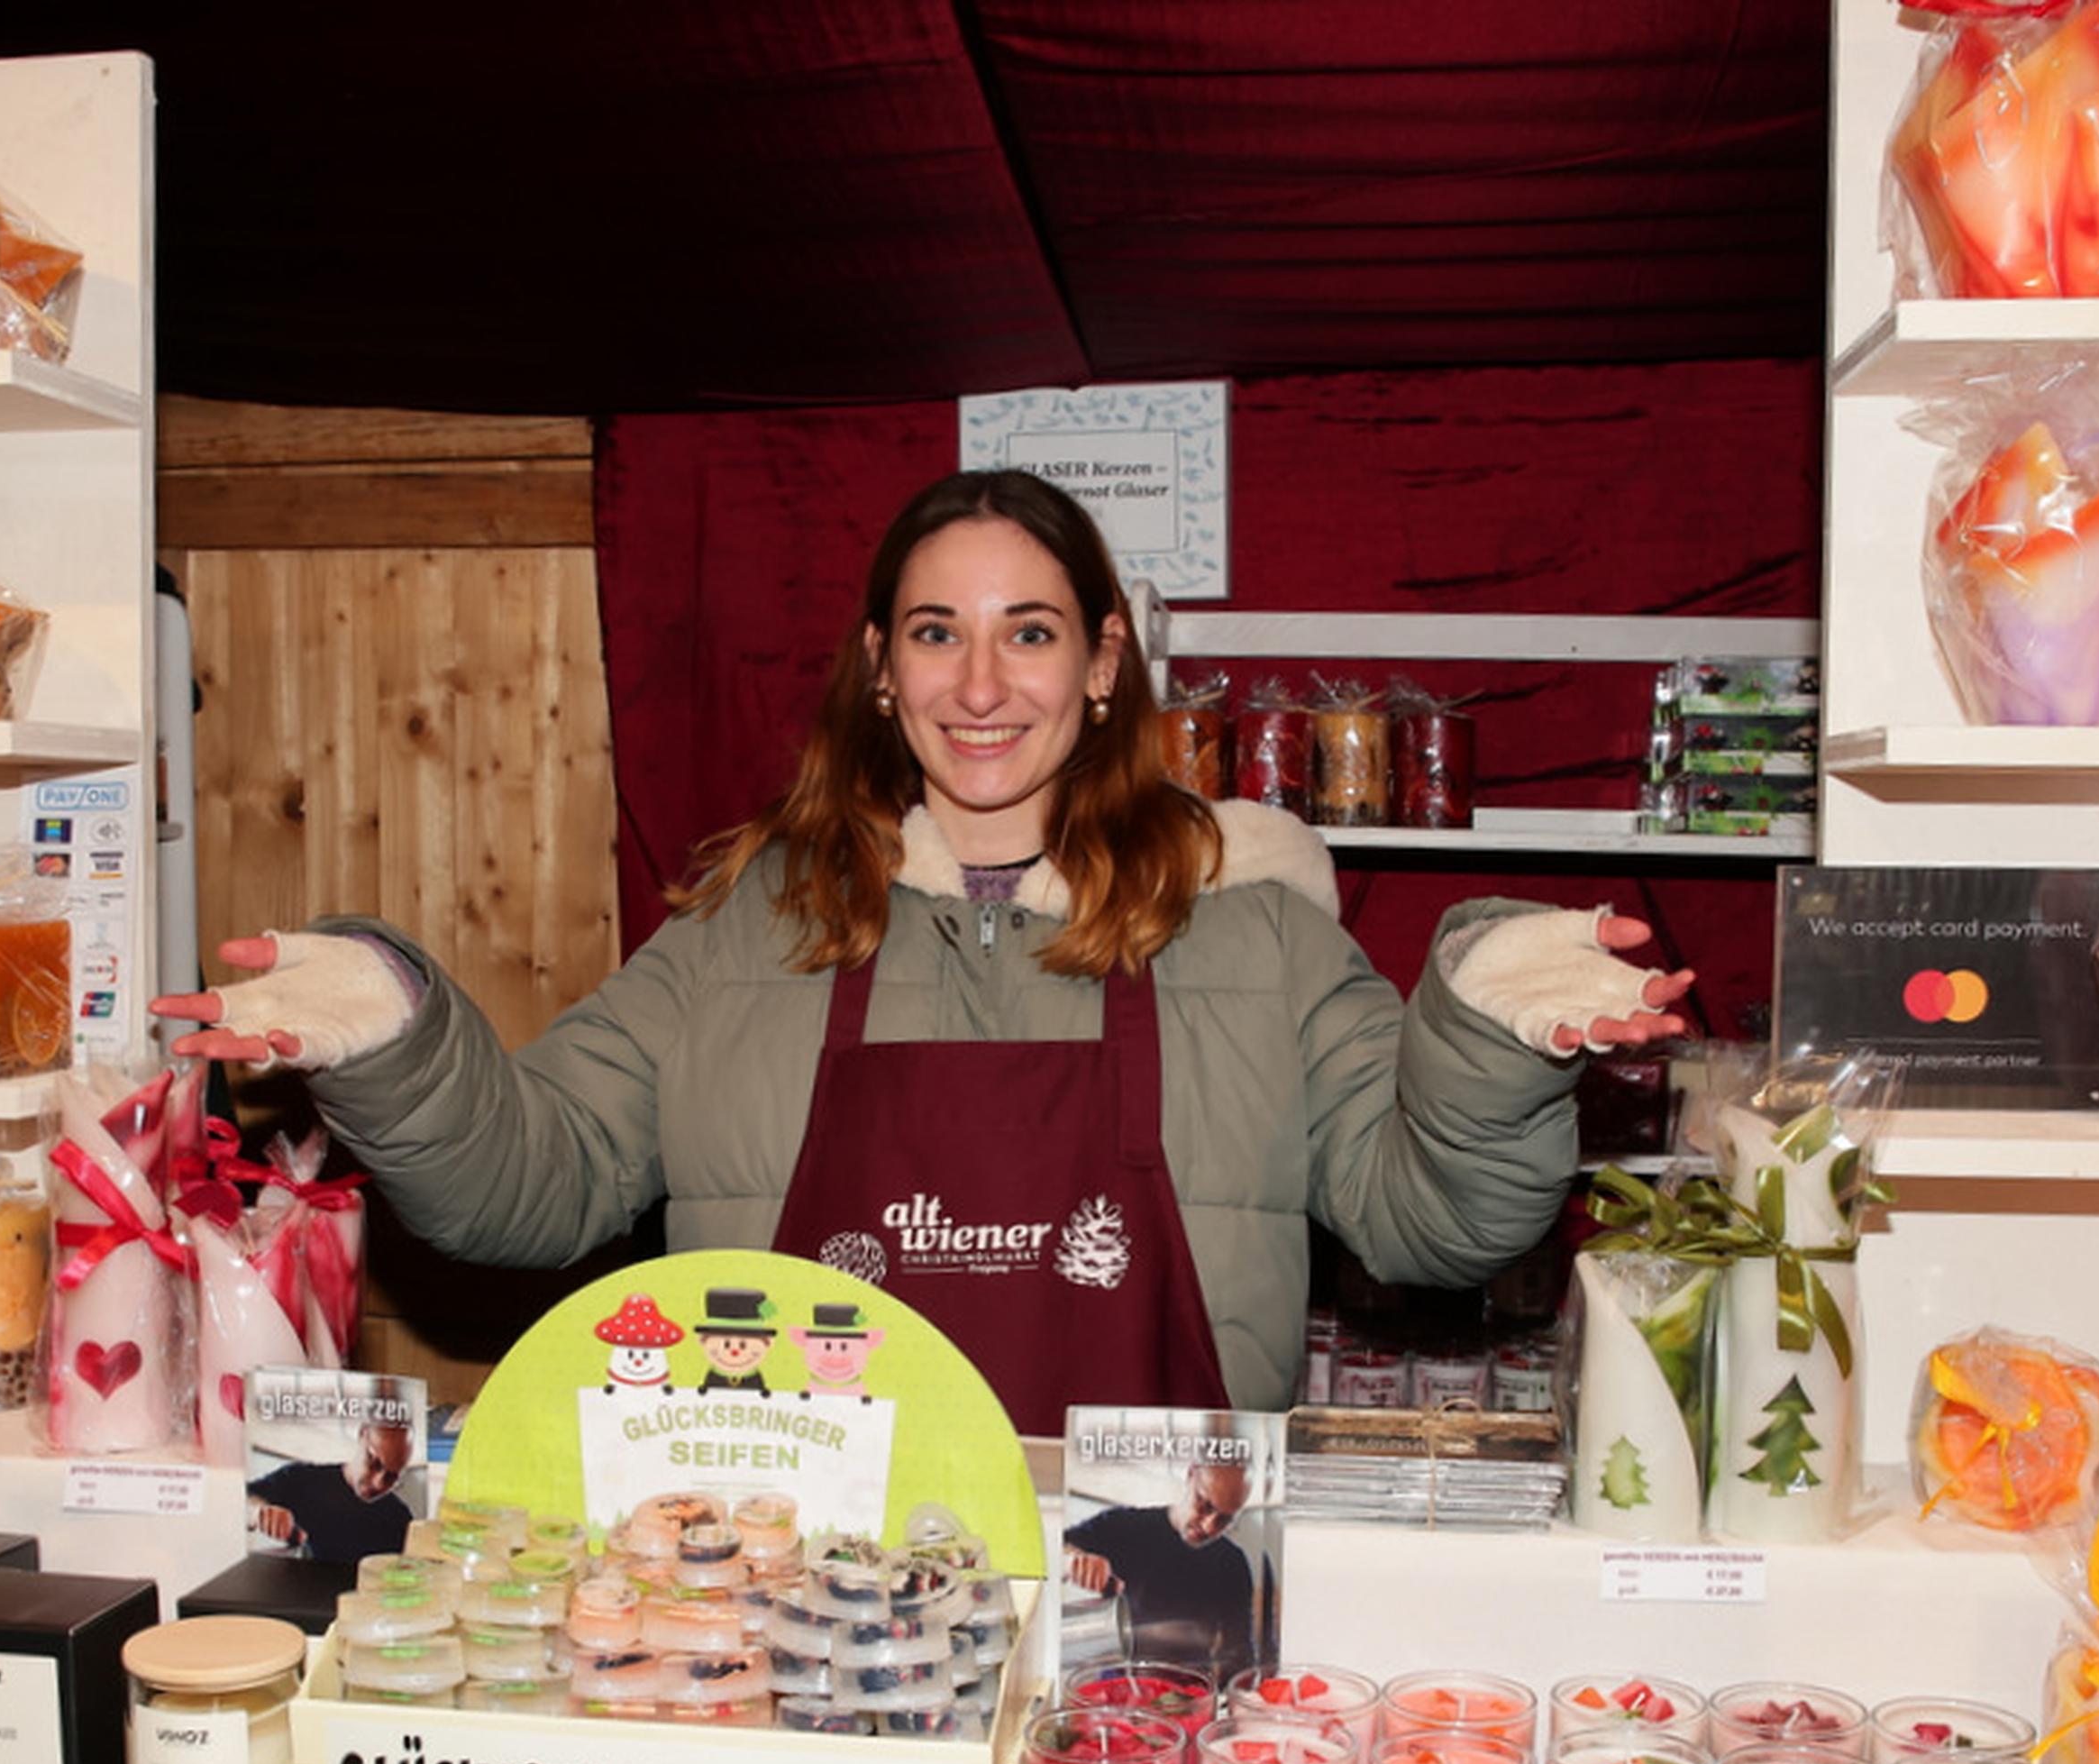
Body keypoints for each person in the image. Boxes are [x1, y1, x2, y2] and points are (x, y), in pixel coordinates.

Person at [154, 469, 1690, 1432]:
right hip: (799, 1584)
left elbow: (1436, 1220)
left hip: (1150, 1581)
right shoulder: (753, 931)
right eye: (935, 632)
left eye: (1029, 630)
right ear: (880, 671)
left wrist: (1487, 1031)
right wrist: (400, 1032)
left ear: (1100, 666)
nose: (980, 682)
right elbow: (527, 1183)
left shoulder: (1257, 933)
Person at [1062, 1456, 1270, 1692]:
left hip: (1189, 1694)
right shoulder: (1125, 1526)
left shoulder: (1233, 1562)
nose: (1209, 1526)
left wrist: (1233, 1699)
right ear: (1192, 1474)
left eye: (1225, 1519)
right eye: (1205, 1505)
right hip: (1119, 1684)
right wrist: (1072, 1561)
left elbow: (1240, 1652)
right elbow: (1059, 1545)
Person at [245, 1418, 415, 1564]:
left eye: (392, 1477)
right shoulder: (300, 1479)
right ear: (362, 1434)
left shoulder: (400, 1517)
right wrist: (257, 1513)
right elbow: (240, 1500)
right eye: (374, 1462)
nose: (378, 1483)